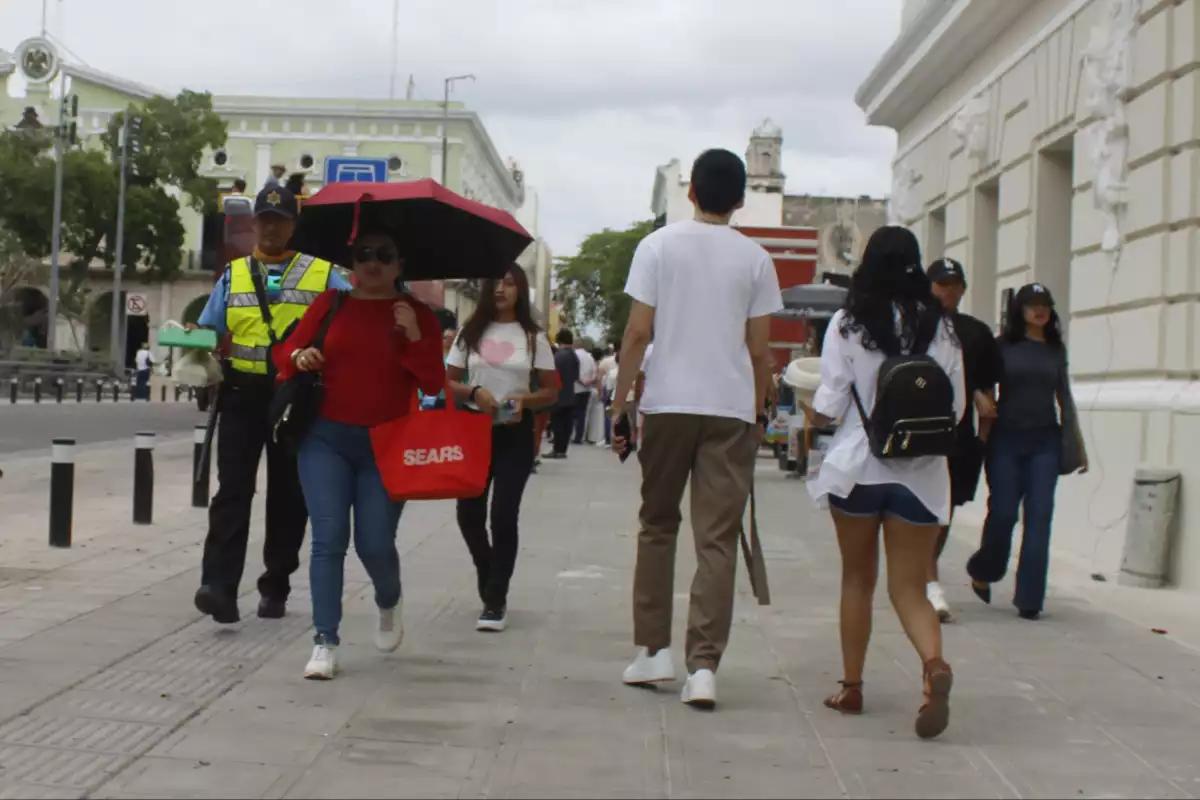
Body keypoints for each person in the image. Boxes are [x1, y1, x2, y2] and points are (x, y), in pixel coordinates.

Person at [612, 148, 781, 710]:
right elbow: (759, 350)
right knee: (716, 539)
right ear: (740, 199)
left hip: (667, 402)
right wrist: (758, 411)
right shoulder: (756, 259)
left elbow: (638, 333)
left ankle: (652, 651)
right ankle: (703, 666)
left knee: (658, 525)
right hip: (730, 409)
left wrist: (621, 402)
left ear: (690, 192)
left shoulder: (657, 247)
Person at [803, 226, 964, 740]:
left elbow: (831, 403)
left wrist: (809, 414)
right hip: (921, 474)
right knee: (910, 587)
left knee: (857, 579)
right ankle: (933, 666)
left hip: (859, 466)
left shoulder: (849, 322)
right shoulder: (941, 327)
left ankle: (851, 687)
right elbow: (957, 408)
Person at [276, 229, 444, 679]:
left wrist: (413, 336)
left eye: (384, 255)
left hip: (387, 444)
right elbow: (285, 353)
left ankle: (389, 599)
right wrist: (300, 356)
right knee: (328, 538)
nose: (373, 262)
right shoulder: (331, 303)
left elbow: (433, 382)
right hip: (324, 438)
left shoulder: (418, 314)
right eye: (363, 253)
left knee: (374, 542)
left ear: (399, 264)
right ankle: (324, 640)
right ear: (351, 261)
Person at [192, 186, 352, 624]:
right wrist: (191, 345)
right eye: (264, 219)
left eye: (279, 221)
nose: (271, 228)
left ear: (293, 226)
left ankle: (276, 584)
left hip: (294, 395)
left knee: (288, 493)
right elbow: (208, 328)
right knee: (232, 490)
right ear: (254, 223)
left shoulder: (323, 273)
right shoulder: (234, 275)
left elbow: (354, 315)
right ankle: (219, 587)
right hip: (241, 393)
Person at [446, 265, 558, 631]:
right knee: (469, 514)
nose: (501, 289)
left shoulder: (533, 337)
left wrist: (526, 400)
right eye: (495, 282)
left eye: (509, 283)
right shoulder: (470, 332)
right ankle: (487, 571)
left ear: (520, 290)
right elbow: (446, 382)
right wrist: (474, 391)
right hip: (474, 431)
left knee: (503, 514)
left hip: (514, 433)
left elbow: (551, 390)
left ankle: (495, 599)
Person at [967, 282, 1087, 620]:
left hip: (1045, 442)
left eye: (1045, 304)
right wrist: (981, 409)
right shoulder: (1002, 346)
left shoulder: (1055, 349)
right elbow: (982, 384)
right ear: (1019, 310)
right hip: (1005, 440)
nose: (1040, 310)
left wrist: (1076, 447)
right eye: (1032, 304)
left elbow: (1064, 398)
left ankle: (1030, 599)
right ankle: (985, 569)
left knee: (1040, 516)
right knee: (1004, 512)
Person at [923, 258, 1001, 622]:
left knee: (946, 511)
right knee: (924, 510)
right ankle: (928, 581)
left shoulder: (976, 332)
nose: (949, 291)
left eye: (955, 284)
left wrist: (982, 439)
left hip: (960, 436)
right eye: (942, 284)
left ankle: (927, 574)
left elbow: (987, 388)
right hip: (920, 432)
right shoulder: (915, 326)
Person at [546, 329, 580, 459]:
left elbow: (552, 375)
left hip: (558, 394)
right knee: (567, 424)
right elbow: (576, 376)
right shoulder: (574, 356)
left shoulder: (558, 356)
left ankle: (557, 449)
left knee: (557, 423)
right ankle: (563, 449)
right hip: (570, 393)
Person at [572, 341, 597, 444]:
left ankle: (571, 434)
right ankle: (579, 436)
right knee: (582, 413)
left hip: (575, 388)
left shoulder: (574, 355)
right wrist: (589, 381)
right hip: (587, 389)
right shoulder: (590, 357)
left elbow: (573, 372)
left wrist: (581, 381)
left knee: (572, 413)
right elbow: (595, 372)